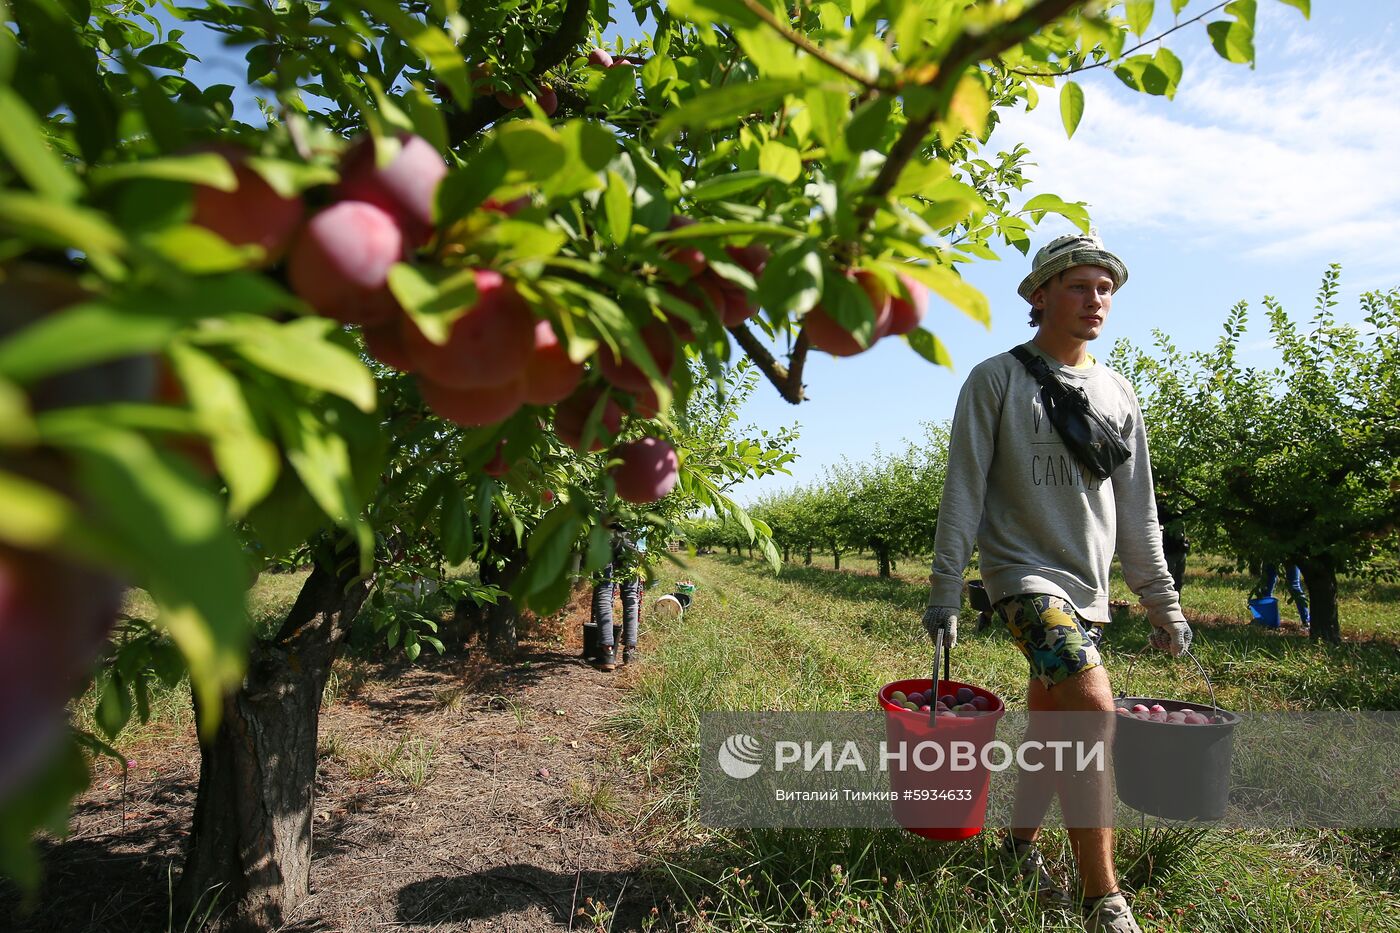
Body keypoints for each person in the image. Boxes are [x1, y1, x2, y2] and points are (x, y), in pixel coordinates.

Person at [922, 231, 1193, 933]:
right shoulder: (996, 379)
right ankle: (1101, 896)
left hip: (1087, 589)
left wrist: (1162, 601)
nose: (1096, 300)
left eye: (1105, 288)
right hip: (1020, 576)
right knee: (1094, 705)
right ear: (1039, 295)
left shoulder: (1118, 392)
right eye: (1079, 285)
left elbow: (1140, 514)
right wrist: (945, 590)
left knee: (1053, 723)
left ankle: (1016, 846)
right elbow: (963, 492)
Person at [590, 522, 646, 671]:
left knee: (604, 590)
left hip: (604, 533)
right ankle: (630, 650)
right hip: (632, 535)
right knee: (631, 595)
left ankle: (607, 652)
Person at [1255, 561, 1310, 633]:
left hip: (1289, 553)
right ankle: (1265, 619)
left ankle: (1306, 621)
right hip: (1274, 552)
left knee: (1293, 585)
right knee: (1267, 584)